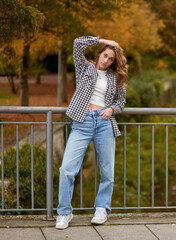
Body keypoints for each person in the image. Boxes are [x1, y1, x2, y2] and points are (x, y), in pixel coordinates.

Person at [55, 36, 128, 230]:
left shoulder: (114, 77)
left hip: (104, 123)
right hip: (82, 122)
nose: (106, 60)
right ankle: (64, 212)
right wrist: (107, 40)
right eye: (105, 55)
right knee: (67, 169)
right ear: (99, 54)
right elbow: (77, 43)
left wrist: (112, 109)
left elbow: (121, 101)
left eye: (111, 59)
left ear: (114, 62)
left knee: (107, 172)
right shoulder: (85, 67)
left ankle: (102, 209)